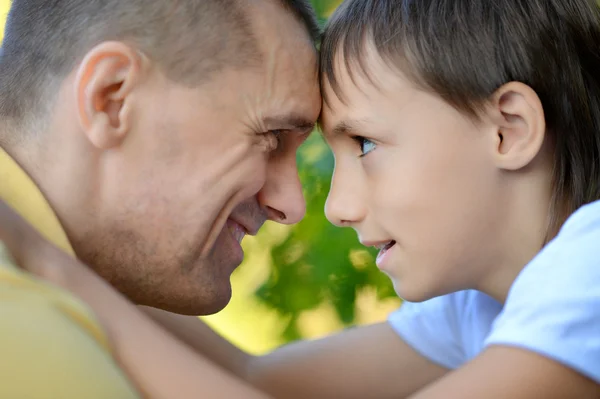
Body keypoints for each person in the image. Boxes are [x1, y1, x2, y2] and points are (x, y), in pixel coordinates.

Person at [4, 0, 600, 397]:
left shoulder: (590, 267)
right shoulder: (481, 309)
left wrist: (56, 268)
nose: (333, 207)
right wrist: (72, 242)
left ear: (508, 129)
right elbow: (250, 380)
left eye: (365, 143)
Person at [0, 0, 320, 397]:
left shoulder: (53, 281)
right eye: (271, 139)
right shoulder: (22, 322)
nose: (292, 205)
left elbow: (252, 375)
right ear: (111, 98)